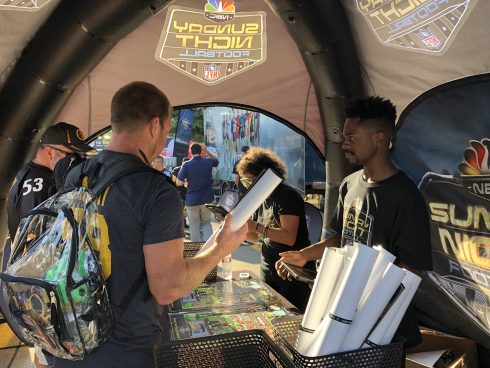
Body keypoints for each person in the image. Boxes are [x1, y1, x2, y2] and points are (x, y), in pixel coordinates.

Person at [53, 81, 246, 368]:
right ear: (155, 126)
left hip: (73, 339)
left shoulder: (77, 173)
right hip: (127, 352)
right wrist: (220, 248)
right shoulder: (156, 190)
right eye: (167, 129)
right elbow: (167, 287)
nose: (164, 136)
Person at [277, 96, 432, 348]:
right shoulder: (350, 184)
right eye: (344, 137)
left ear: (379, 140)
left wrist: (370, 315)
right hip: (342, 312)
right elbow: (342, 236)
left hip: (379, 329)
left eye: (352, 138)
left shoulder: (405, 196)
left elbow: (411, 270)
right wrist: (305, 255)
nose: (344, 144)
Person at [4, 122, 93, 368]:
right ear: (49, 151)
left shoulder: (37, 175)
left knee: (45, 347)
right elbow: (37, 244)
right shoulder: (39, 183)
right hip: (39, 283)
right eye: (71, 154)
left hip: (39, 281)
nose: (76, 160)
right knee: (50, 348)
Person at [236, 147, 313, 312]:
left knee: (291, 318)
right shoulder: (260, 198)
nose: (248, 186)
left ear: (264, 176)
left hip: (290, 271)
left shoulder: (286, 196)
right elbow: (257, 238)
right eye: (244, 181)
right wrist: (238, 230)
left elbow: (288, 237)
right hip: (268, 267)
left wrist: (255, 226)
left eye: (250, 181)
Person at [176, 143, 219, 242]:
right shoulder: (208, 161)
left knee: (194, 226)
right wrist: (207, 151)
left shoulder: (186, 164)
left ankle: (196, 249)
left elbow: (178, 183)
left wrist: (186, 182)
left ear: (190, 152)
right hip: (207, 199)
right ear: (201, 151)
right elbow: (216, 160)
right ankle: (209, 246)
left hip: (192, 200)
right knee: (206, 223)